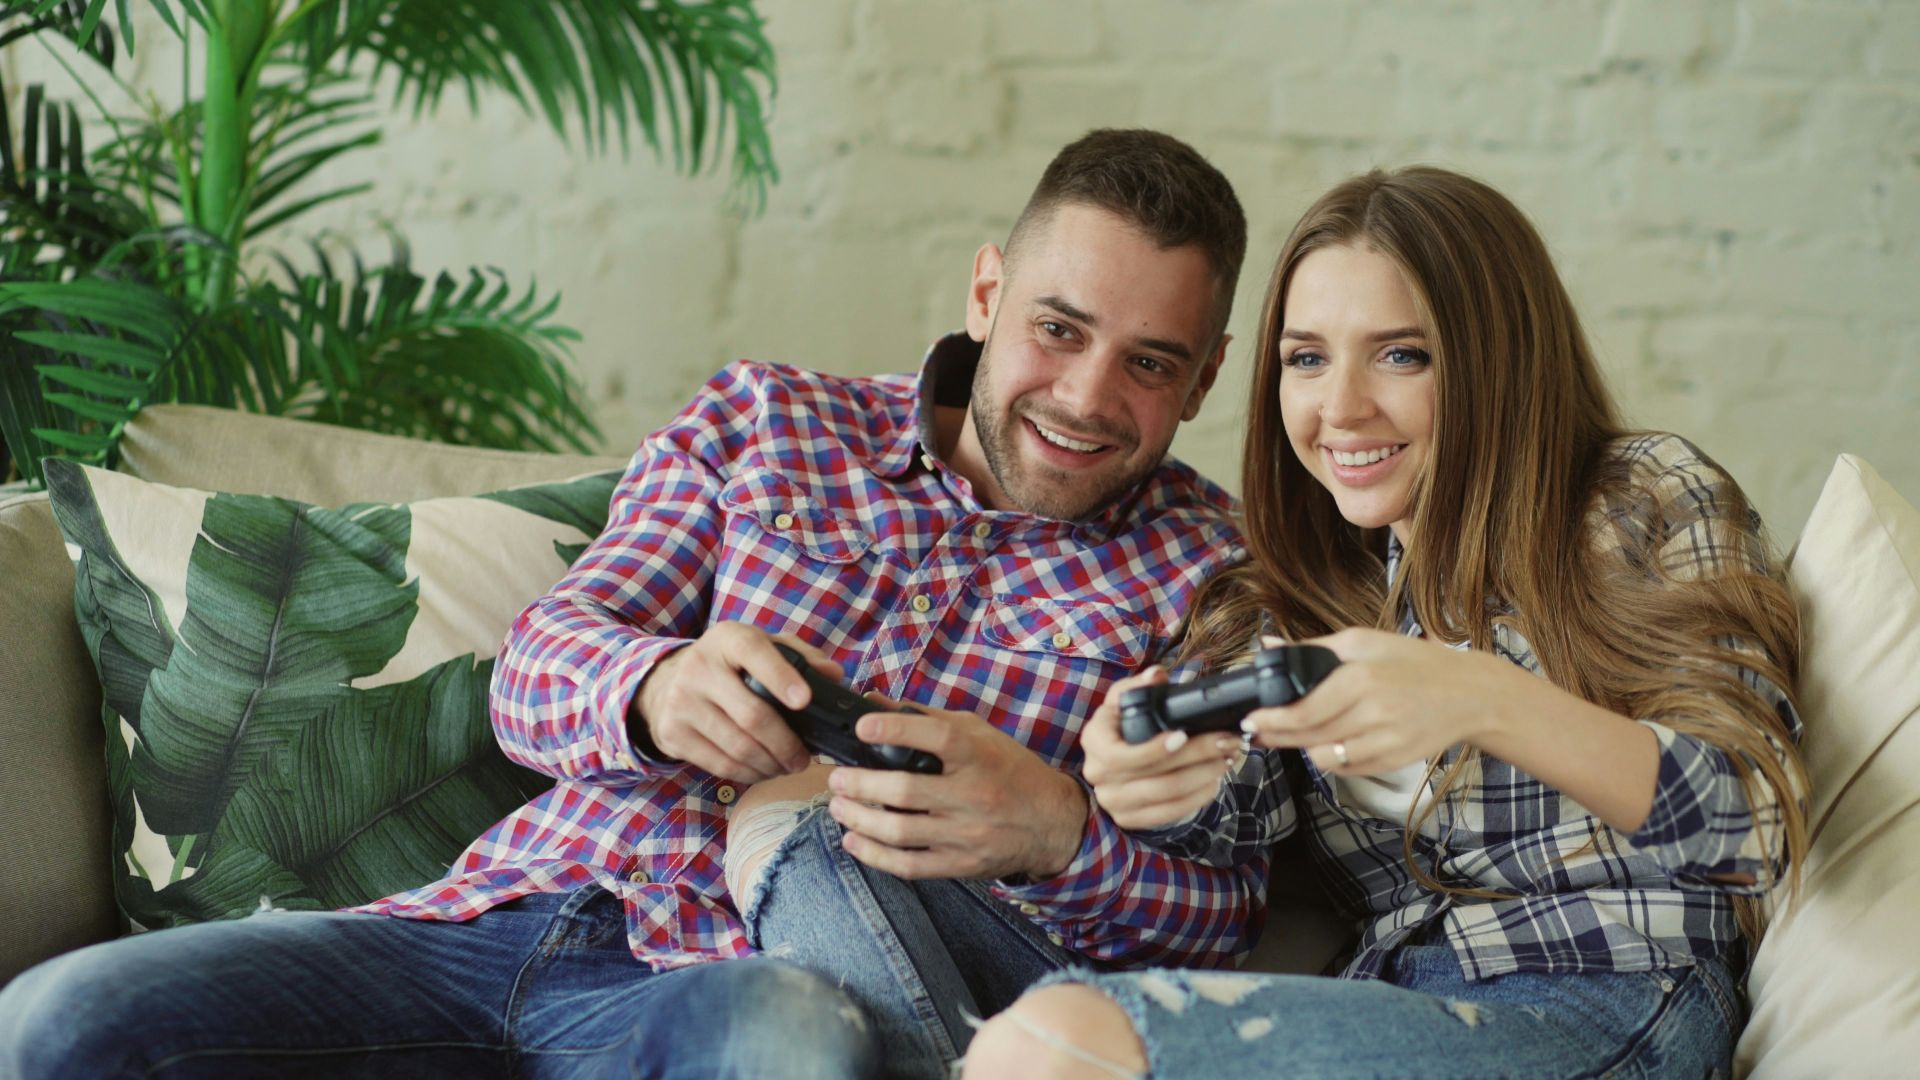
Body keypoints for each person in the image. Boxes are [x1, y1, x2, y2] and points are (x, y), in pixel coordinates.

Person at [0, 129, 1262, 1080]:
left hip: (742, 989)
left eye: (1150, 363)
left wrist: (1056, 833)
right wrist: (655, 690)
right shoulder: (773, 419)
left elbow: (1226, 920)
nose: (1089, 396)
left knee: (793, 1051)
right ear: (988, 296)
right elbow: (538, 664)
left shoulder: (1209, 572)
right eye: (1058, 328)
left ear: (1202, 379)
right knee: (64, 1022)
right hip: (497, 918)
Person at [960, 166, 1811, 1079]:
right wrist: (1151, 781)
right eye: (1307, 358)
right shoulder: (1287, 591)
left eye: (1403, 355)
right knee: (1046, 1022)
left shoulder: (1638, 496)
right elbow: (1228, 813)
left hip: (1606, 997)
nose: (1342, 408)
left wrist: (1482, 698)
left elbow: (1754, 821)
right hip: (1390, 997)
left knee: (1059, 1043)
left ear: (1495, 358)